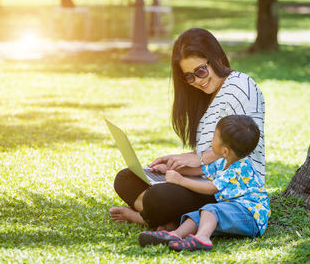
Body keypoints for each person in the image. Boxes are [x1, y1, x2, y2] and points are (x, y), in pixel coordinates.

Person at [110, 28, 265, 230]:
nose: (198, 81)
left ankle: (147, 217)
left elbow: (237, 149)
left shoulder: (240, 87)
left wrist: (197, 160)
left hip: (228, 192)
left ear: (216, 57)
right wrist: (179, 162)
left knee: (158, 197)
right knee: (126, 178)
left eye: (201, 71)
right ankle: (167, 217)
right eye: (190, 77)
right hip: (200, 179)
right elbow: (212, 150)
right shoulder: (205, 96)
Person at [138, 115, 270, 251]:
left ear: (225, 151)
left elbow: (211, 188)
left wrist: (180, 180)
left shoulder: (240, 167)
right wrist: (168, 169)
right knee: (198, 214)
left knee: (210, 209)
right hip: (233, 209)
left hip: (250, 216)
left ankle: (202, 238)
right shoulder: (224, 161)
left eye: (214, 138)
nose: (211, 141)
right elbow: (200, 170)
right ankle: (174, 235)